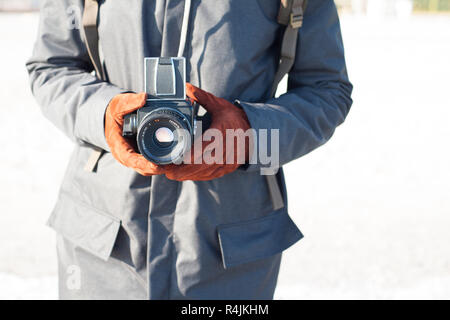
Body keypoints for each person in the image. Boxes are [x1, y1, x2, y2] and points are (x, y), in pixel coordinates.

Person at [27, 0, 352, 300]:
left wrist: (251, 137)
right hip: (102, 246)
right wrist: (102, 116)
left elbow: (327, 91)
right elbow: (51, 68)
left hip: (233, 252)